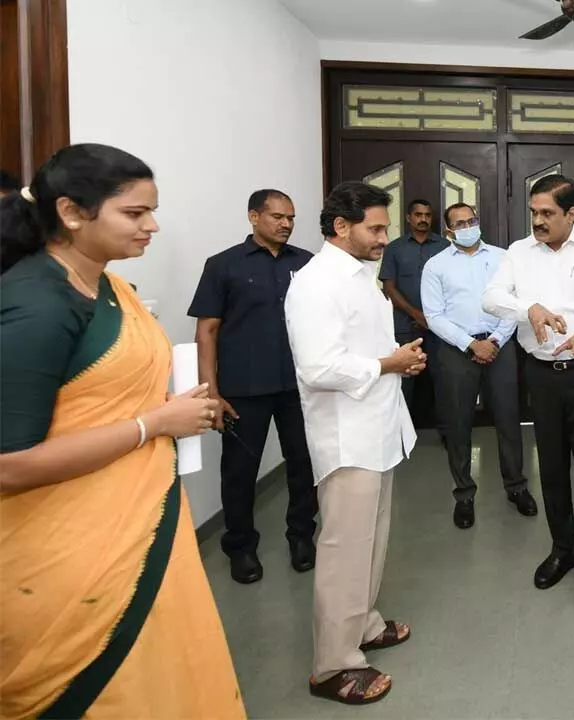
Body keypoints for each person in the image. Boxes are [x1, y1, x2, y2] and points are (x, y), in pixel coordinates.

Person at [0, 143, 244, 718]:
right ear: (71, 212)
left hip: (139, 520)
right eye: (134, 214)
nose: (152, 226)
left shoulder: (110, 288)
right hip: (68, 554)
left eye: (151, 211)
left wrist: (163, 408)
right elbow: (9, 464)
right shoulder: (37, 303)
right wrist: (154, 422)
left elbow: (96, 396)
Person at [285, 181, 427, 706]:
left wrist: (398, 354)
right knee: (345, 548)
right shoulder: (316, 282)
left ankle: (363, 624)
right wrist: (387, 364)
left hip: (378, 429)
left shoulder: (361, 276)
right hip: (347, 436)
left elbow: (361, 347)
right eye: (375, 227)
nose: (383, 237)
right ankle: (333, 664)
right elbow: (318, 367)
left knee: (373, 538)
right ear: (341, 227)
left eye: (383, 227)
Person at [482, 175, 574, 615]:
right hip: (540, 374)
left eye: (547, 213)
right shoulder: (517, 253)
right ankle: (563, 548)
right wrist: (528, 309)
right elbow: (490, 297)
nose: (538, 221)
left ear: (571, 214)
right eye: (534, 213)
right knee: (551, 468)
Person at [188, 189, 318, 584]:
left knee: (304, 465)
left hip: (300, 385)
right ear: (253, 216)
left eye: (291, 218)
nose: (286, 224)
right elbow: (207, 331)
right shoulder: (223, 265)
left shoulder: (308, 265)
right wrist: (210, 391)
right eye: (277, 216)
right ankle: (240, 547)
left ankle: (302, 537)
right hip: (244, 388)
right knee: (240, 471)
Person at [421, 202, 537, 529]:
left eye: (471, 220)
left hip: (500, 345)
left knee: (509, 419)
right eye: (459, 224)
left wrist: (496, 341)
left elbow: (513, 305)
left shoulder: (502, 258)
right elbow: (433, 316)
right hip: (458, 349)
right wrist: (471, 344)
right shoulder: (436, 266)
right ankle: (464, 494)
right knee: (458, 424)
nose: (467, 226)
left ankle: (516, 487)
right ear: (448, 232)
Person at [379, 199, 449, 437]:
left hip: (439, 327)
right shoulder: (394, 248)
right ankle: (401, 435)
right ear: (408, 217)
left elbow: (452, 285)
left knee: (443, 380)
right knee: (403, 382)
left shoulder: (444, 246)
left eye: (428, 215)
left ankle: (448, 434)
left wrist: (432, 317)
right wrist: (416, 314)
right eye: (418, 214)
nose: (423, 219)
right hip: (404, 325)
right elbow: (389, 287)